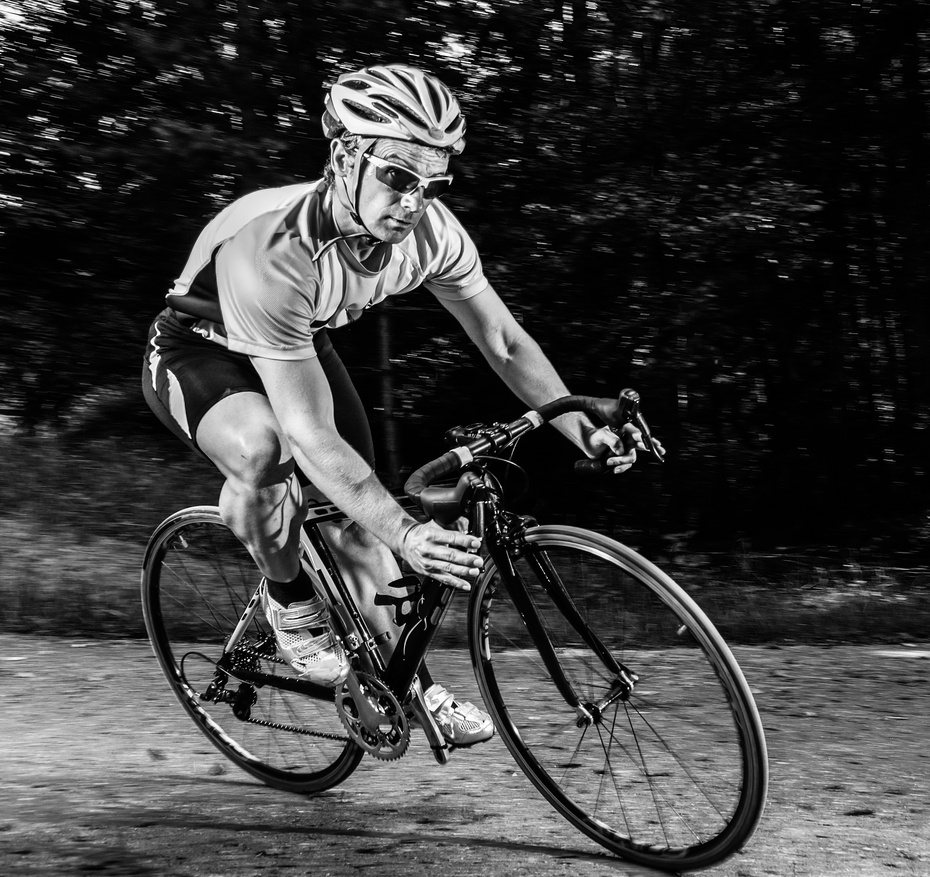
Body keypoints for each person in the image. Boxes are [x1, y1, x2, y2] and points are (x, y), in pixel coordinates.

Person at [143, 63, 643, 747]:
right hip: (199, 350)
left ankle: (409, 686)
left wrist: (579, 429)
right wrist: (409, 534)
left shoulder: (432, 235)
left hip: (294, 341)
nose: (415, 202)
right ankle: (291, 607)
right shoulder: (275, 249)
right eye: (398, 177)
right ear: (344, 157)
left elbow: (501, 341)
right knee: (269, 450)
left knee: (356, 516)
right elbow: (309, 432)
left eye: (433, 184)